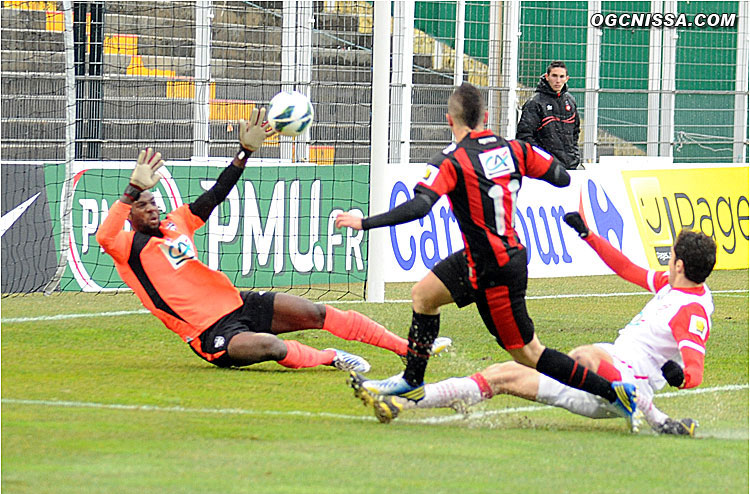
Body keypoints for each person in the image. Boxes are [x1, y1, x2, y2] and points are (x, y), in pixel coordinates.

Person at [335, 83, 640, 428]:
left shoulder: (451, 160)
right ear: (486, 117)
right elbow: (561, 177)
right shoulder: (515, 150)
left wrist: (365, 223)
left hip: (496, 270)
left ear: (449, 120)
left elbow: (421, 206)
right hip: (483, 258)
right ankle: (412, 380)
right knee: (423, 295)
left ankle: (615, 393)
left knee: (528, 354)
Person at [96, 107, 450, 372]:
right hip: (210, 335)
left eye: (153, 201)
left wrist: (244, 153)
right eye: (142, 205)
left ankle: (408, 349)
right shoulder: (129, 248)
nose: (151, 207)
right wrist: (132, 189)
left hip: (237, 303)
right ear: (129, 212)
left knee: (316, 312)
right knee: (272, 346)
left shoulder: (177, 223)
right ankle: (330, 358)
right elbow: (104, 235)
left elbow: (216, 193)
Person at [355, 216, 717, 438]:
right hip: (609, 367)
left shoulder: (691, 311)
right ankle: (404, 402)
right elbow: (627, 269)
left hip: (625, 381)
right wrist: (588, 235)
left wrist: (679, 376)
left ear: (680, 264)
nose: (666, 260)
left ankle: (646, 412)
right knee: (502, 374)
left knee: (583, 356)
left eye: (671, 256)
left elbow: (695, 372)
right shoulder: (674, 285)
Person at [516, 61, 581, 170]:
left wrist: (574, 156)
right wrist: (543, 158)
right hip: (545, 169)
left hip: (570, 167)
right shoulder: (535, 102)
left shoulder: (570, 101)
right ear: (547, 77)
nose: (558, 81)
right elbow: (524, 136)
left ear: (567, 79)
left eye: (561, 77)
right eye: (554, 76)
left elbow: (575, 132)